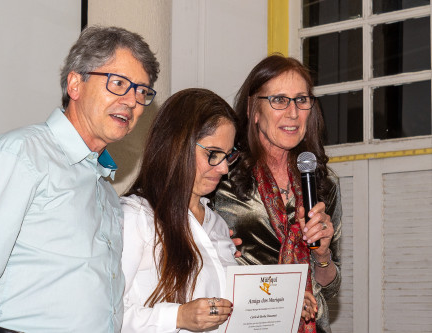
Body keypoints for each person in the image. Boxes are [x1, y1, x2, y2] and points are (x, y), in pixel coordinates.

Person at [0, 26, 159, 333]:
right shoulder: (21, 155)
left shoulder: (104, 188)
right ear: (75, 83)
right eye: (118, 83)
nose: (131, 101)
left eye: (141, 91)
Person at [213, 54, 342, 333]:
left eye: (302, 100)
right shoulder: (221, 174)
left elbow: (330, 289)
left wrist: (322, 254)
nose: (293, 113)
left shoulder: (324, 183)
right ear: (253, 110)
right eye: (279, 100)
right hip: (244, 325)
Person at [120, 88, 239, 332]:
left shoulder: (216, 224)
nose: (224, 168)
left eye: (228, 156)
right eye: (214, 154)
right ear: (177, 145)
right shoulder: (136, 217)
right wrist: (178, 317)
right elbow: (108, 315)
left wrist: (281, 302)